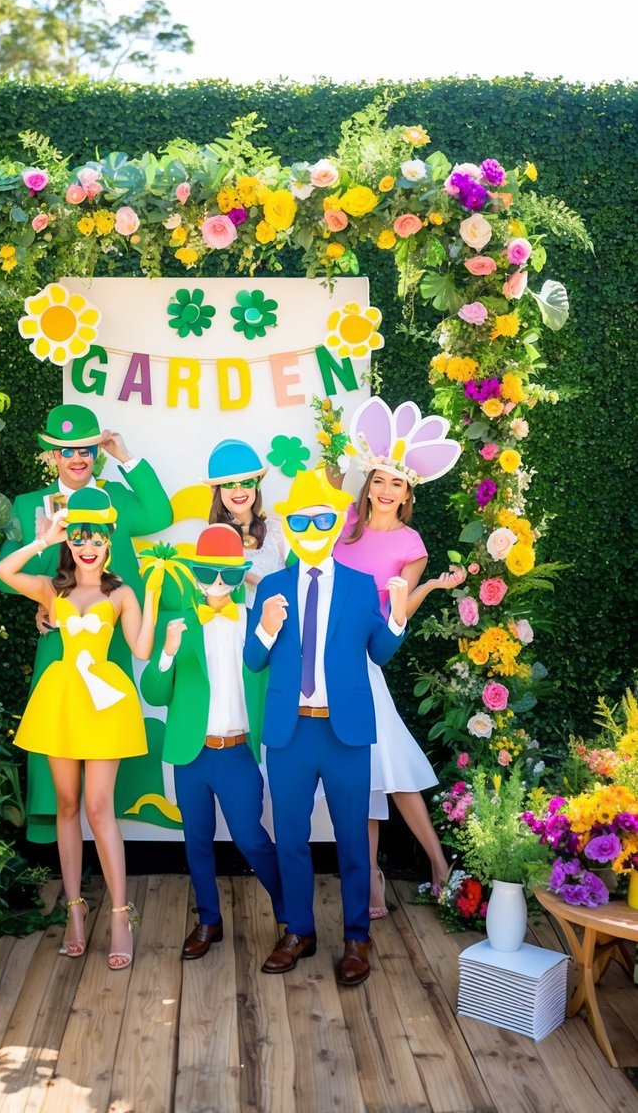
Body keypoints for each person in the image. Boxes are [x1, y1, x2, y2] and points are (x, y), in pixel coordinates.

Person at [244, 468, 408, 987]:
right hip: (290, 734)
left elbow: (378, 652)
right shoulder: (271, 586)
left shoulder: (362, 588)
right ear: (290, 526)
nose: (312, 527)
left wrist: (399, 616)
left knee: (352, 841)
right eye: (301, 520)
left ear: (337, 522)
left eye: (322, 518)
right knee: (290, 837)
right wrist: (266, 630)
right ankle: (299, 930)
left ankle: (357, 936)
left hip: (345, 735)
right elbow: (252, 661)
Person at [0, 486, 163, 967]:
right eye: (79, 538)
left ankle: (119, 913)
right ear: (71, 543)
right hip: (64, 697)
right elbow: (4, 572)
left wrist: (150, 597)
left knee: (97, 806)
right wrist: (43, 540)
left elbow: (142, 651)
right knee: (67, 803)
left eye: (96, 538)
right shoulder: (53, 588)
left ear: (109, 541)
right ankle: (74, 910)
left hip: (104, 701)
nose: (87, 547)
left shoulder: (121, 593)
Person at [0, 404, 172, 843]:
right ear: (52, 455)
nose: (78, 459)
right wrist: (44, 599)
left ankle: (109, 835)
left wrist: (126, 455)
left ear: (98, 452)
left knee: (106, 743)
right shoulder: (27, 505)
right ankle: (65, 852)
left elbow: (160, 515)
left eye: (88, 450)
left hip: (110, 638)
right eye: (68, 451)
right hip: (58, 643)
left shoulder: (119, 498)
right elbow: (4, 576)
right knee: (58, 750)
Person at [333, 396, 465, 917]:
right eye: (379, 481)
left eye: (397, 484)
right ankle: (371, 882)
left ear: (408, 493)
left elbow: (399, 610)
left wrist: (430, 584)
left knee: (391, 769)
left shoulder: (412, 544)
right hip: (326, 654)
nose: (385, 491)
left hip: (364, 659)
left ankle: (438, 864)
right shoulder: (343, 523)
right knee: (362, 775)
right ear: (367, 484)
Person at [140, 524, 284, 960]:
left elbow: (273, 678)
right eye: (208, 572)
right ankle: (208, 920)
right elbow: (154, 693)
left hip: (238, 751)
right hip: (192, 754)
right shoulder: (178, 622)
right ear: (195, 572)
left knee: (251, 838)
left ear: (242, 574)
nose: (218, 583)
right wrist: (166, 651)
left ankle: (288, 913)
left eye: (228, 574)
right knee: (196, 839)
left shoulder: (257, 623)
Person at [205, 440, 286, 610]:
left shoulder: (276, 530)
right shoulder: (212, 539)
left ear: (256, 485)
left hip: (283, 625)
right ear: (216, 490)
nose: (239, 492)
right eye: (229, 484)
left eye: (247, 482)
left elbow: (298, 577)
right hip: (238, 630)